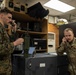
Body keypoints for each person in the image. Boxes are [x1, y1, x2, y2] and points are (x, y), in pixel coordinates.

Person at [0, 8, 24, 75]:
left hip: (5, 69)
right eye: (9, 17)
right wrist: (15, 43)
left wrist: (14, 30)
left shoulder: (3, 29)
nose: (10, 20)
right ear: (1, 16)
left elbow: (8, 42)